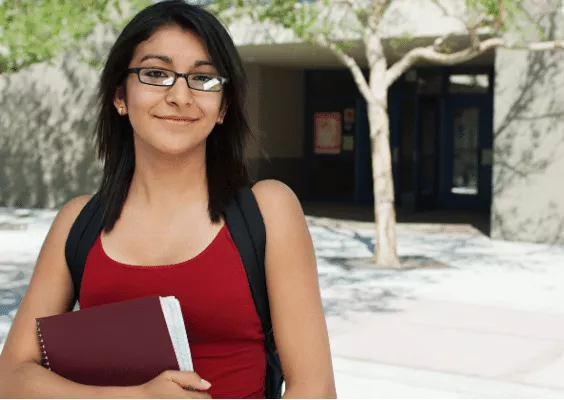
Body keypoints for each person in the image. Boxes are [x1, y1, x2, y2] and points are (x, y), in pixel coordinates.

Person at [0, 1, 336, 398]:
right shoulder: (78, 222)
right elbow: (11, 376)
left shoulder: (268, 210)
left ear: (223, 106)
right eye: (156, 73)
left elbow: (314, 389)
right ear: (120, 96)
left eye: (204, 79)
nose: (180, 95)